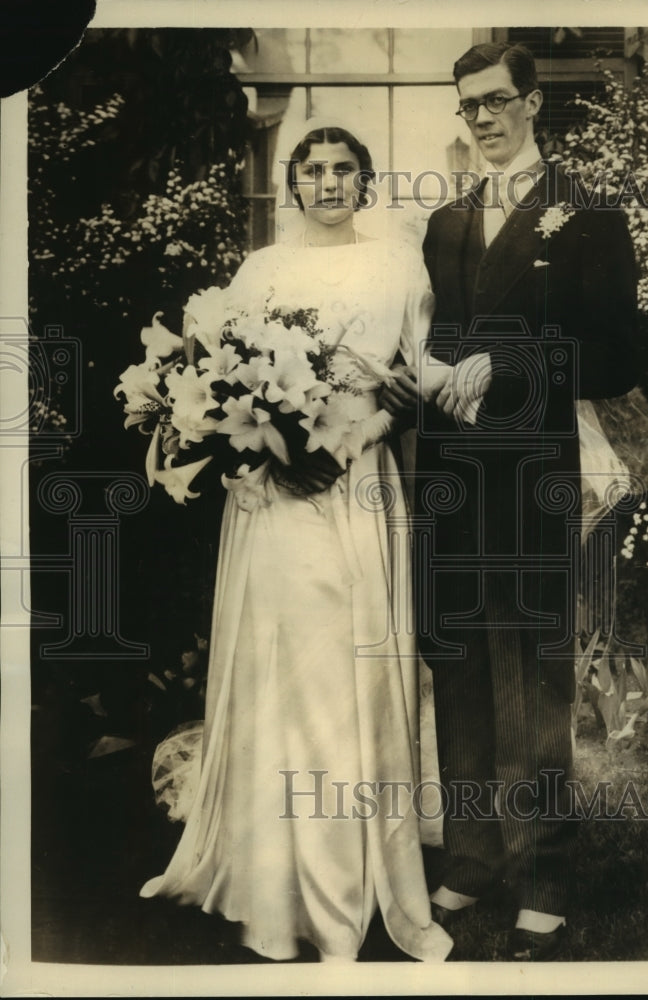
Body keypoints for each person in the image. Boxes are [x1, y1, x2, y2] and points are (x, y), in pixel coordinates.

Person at [140, 121, 452, 964]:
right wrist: (257, 452)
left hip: (355, 484)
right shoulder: (262, 270)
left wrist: (362, 434)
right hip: (276, 492)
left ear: (365, 181)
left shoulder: (398, 266)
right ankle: (271, 877)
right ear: (293, 185)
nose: (326, 183)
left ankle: (351, 876)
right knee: (283, 665)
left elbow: (418, 378)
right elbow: (219, 379)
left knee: (348, 665)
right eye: (310, 171)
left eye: (343, 170)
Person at [383, 42, 640, 961]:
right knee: (455, 659)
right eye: (469, 108)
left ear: (533, 103)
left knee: (532, 674)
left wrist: (514, 361)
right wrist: (425, 376)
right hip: (451, 474)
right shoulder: (447, 221)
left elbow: (617, 355)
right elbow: (432, 341)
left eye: (496, 102)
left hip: (532, 471)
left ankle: (544, 877)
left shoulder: (587, 214)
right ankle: (472, 854)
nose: (483, 120)